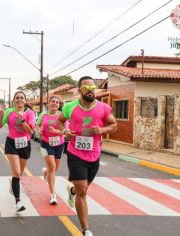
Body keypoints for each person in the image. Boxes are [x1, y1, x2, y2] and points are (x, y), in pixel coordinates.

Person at [57, 76, 117, 236]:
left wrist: (102, 130)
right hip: (75, 153)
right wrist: (65, 131)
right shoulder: (70, 107)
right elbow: (60, 121)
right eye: (85, 87)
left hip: (94, 154)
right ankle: (86, 230)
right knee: (83, 190)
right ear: (79, 90)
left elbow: (114, 125)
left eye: (92, 87)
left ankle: (73, 191)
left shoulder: (103, 108)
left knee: (82, 189)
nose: (90, 90)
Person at [0, 91, 36, 212]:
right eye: (17, 98)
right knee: (17, 173)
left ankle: (13, 186)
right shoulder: (9, 112)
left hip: (25, 144)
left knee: (19, 174)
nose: (19, 99)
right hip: (12, 143)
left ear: (25, 101)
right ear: (14, 100)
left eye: (22, 98)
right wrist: (2, 116)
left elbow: (31, 132)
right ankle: (18, 202)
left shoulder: (30, 113)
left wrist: (22, 119)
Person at [36, 96, 66, 205]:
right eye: (52, 101)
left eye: (57, 102)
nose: (54, 103)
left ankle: (45, 172)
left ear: (59, 105)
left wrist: (56, 131)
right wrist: (39, 130)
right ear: (48, 104)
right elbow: (38, 124)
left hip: (59, 144)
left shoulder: (62, 116)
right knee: (52, 167)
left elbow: (65, 132)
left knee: (54, 168)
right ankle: (53, 195)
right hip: (46, 144)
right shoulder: (43, 115)